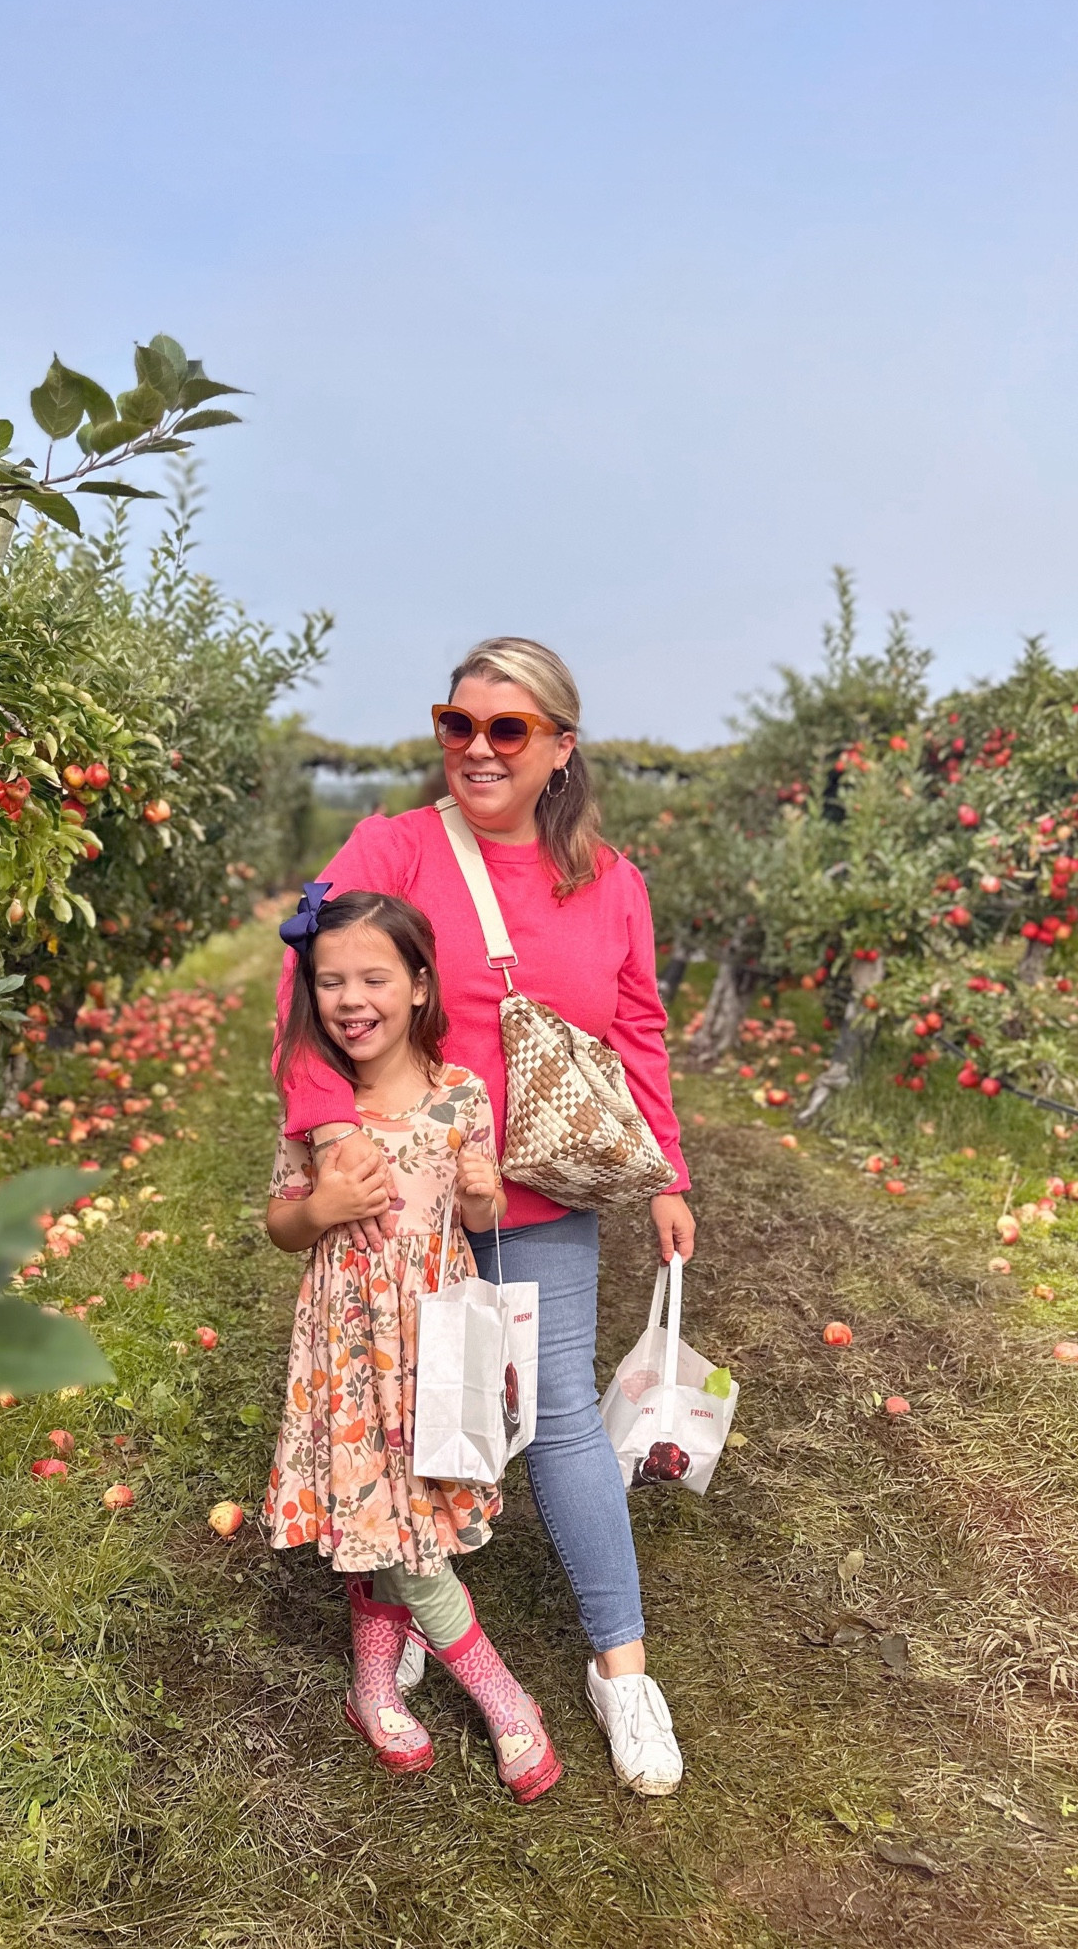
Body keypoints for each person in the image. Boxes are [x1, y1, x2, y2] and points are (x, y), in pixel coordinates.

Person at [275, 637, 693, 1797]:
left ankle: (620, 1667)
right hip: (404, 1199)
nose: (477, 748)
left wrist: (666, 1171)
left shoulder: (609, 881)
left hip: (540, 1190)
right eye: (456, 723)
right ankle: (411, 1594)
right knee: (415, 1414)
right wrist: (330, 1131)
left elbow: (637, 1028)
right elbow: (306, 989)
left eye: (507, 728)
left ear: (559, 747)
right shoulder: (392, 847)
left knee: (555, 1413)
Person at [263, 887, 563, 1805]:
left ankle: (372, 1689)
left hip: (432, 1339)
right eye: (330, 982)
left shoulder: (459, 1094)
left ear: (420, 985)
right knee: (390, 1521)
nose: (351, 1000)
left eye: (374, 979)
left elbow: (477, 1215)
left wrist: (479, 1195)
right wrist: (321, 1207)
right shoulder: (319, 1106)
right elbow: (281, 1222)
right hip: (350, 1342)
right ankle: (501, 1696)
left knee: (406, 1516)